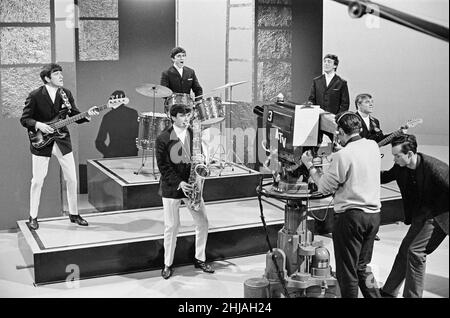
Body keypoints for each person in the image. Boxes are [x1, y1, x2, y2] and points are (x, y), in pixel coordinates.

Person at [301, 111, 382, 298]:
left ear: (340, 132)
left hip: (351, 219)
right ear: (359, 128)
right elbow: (358, 162)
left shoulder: (343, 156)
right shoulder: (372, 146)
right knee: (362, 267)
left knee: (347, 273)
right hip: (374, 216)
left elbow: (323, 187)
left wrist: (309, 166)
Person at [20, 63, 99, 230]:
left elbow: (75, 114)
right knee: (37, 181)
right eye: (56, 74)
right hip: (41, 142)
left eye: (61, 74)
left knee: (72, 178)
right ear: (47, 78)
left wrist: (88, 115)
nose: (61, 77)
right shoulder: (35, 95)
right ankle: (33, 216)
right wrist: (39, 125)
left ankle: (74, 213)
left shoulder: (66, 94)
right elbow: (25, 119)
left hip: (62, 140)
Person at [379, 134, 448, 298]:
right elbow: (384, 177)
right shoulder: (400, 167)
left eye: (397, 156)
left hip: (441, 215)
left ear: (409, 154)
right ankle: (388, 292)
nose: (394, 159)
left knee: (416, 252)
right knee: (404, 251)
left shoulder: (435, 168)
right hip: (422, 214)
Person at [155, 103, 214, 279]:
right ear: (173, 117)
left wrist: (205, 162)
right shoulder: (163, 138)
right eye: (182, 115)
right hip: (173, 187)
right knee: (172, 227)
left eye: (188, 115)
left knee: (203, 222)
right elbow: (163, 167)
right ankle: (167, 264)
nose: (186, 119)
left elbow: (200, 158)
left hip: (193, 186)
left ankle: (200, 258)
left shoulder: (194, 134)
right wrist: (180, 183)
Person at [95, 90, 139, 158]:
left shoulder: (107, 116)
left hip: (113, 154)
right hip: (130, 154)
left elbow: (99, 142)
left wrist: (108, 153)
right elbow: (137, 134)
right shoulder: (133, 113)